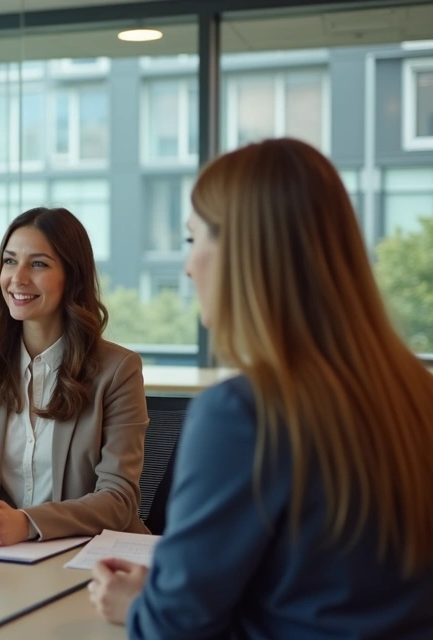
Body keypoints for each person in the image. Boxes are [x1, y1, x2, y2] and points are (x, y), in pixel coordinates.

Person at [89, 138, 433, 638]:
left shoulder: (242, 414)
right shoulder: (414, 395)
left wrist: (140, 607)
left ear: (239, 250)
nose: (187, 267)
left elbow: (176, 628)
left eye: (192, 240)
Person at [0, 207, 149, 545]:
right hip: (3, 557)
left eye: (38, 264)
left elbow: (118, 500)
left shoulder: (117, 371)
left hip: (92, 560)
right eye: (10, 261)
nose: (18, 278)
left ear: (73, 276)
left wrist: (25, 523)